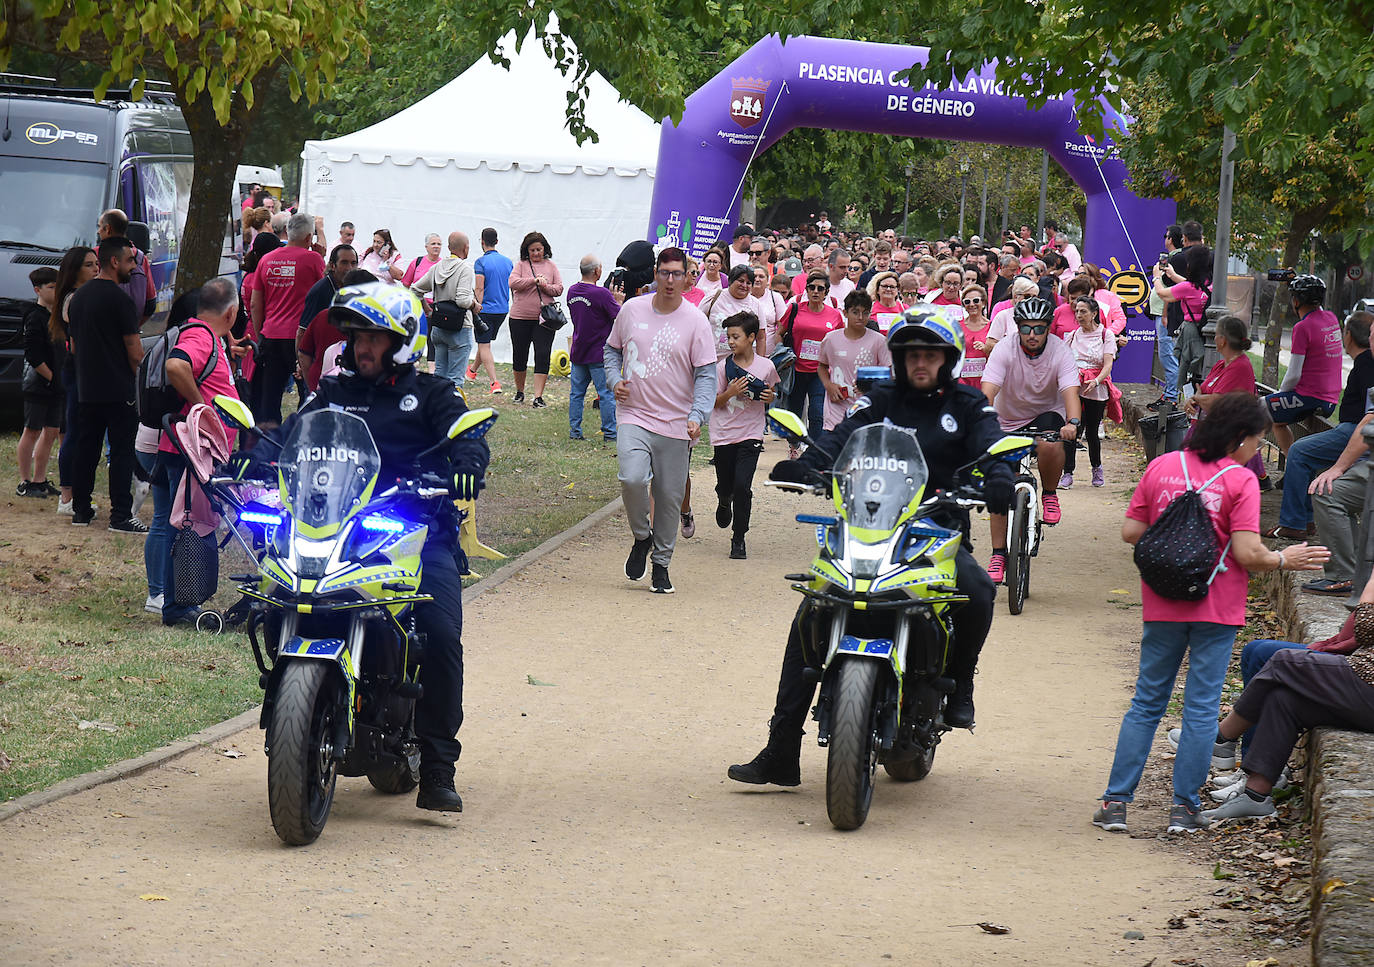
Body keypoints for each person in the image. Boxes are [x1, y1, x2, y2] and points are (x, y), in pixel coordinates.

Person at [728, 308, 1011, 791]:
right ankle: (781, 749)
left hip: (934, 531)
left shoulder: (968, 405)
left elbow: (991, 445)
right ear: (899, 360)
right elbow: (838, 439)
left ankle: (960, 684)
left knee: (979, 590)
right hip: (865, 526)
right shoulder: (878, 400)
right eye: (912, 355)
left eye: (930, 355)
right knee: (812, 612)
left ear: (947, 359)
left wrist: (999, 478)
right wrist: (808, 465)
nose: (921, 363)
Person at [241, 281, 489, 813]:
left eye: (374, 337)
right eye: (356, 337)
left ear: (401, 341)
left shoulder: (432, 393)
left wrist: (468, 464)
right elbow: (292, 434)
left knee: (441, 635)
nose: (362, 348)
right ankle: (297, 705)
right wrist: (256, 455)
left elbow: (467, 435)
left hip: (417, 531)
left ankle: (439, 766)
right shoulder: (333, 391)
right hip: (335, 526)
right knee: (279, 595)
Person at [1094, 393, 1329, 834]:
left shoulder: (1162, 466)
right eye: (1258, 442)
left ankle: (1115, 804)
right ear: (1240, 438)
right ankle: (1184, 809)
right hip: (1216, 607)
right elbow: (1247, 552)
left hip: (1162, 602)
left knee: (1147, 702)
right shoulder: (1239, 480)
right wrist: (1284, 559)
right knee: (1201, 710)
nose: (1258, 451)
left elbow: (1131, 532)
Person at [1201, 585, 1374, 822]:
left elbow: (1365, 629)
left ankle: (1222, 737)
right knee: (1284, 700)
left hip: (1367, 682)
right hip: (1364, 680)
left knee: (1284, 661)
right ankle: (1256, 795)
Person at [603, 246, 715, 595]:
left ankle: (661, 565)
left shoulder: (695, 320)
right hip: (634, 413)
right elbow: (611, 350)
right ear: (655, 273)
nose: (670, 280)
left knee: (668, 497)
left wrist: (698, 415)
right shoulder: (632, 310)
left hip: (676, 422)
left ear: (686, 276)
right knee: (632, 478)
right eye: (664, 273)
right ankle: (641, 536)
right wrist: (613, 381)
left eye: (676, 274)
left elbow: (707, 375)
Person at [150, 277, 243, 625]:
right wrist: (202, 406)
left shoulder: (208, 335)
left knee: (180, 523)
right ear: (231, 312)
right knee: (184, 525)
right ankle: (177, 608)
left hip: (187, 450)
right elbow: (177, 365)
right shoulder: (200, 336)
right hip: (187, 451)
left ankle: (177, 602)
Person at [980, 297, 1080, 580]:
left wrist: (1072, 423)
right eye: (1026, 329)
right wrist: (980, 420)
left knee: (1051, 442)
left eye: (1039, 328)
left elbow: (1071, 392)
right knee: (1000, 484)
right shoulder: (1004, 348)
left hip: (1046, 415)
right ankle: (998, 553)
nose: (1032, 335)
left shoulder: (1061, 351)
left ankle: (1049, 493)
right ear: (1017, 328)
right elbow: (989, 389)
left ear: (1049, 328)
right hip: (1006, 419)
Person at [1266, 310, 1374, 541]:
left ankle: (1295, 523)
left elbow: (1369, 415)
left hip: (1356, 431)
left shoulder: (1366, 363)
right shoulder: (1364, 362)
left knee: (1299, 452)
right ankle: (1304, 521)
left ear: (1348, 336)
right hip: (1352, 428)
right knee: (1305, 453)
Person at [66, 236, 146, 531]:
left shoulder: (79, 298)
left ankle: (81, 510)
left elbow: (73, 346)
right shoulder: (121, 300)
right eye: (129, 261)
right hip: (118, 388)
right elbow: (135, 352)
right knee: (123, 450)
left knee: (86, 447)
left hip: (86, 386)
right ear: (114, 261)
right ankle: (121, 515)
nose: (133, 267)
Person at [710, 311, 778, 560]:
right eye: (728, 337)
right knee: (727, 485)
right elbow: (713, 403)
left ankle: (738, 538)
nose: (730, 342)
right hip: (724, 434)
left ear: (751, 337)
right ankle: (722, 498)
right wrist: (729, 392)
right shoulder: (721, 368)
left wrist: (770, 397)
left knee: (743, 486)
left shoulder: (766, 366)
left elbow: (770, 393)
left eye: (735, 337)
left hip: (751, 433)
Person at [249, 212, 325, 428]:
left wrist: (261, 333)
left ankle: (269, 442)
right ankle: (302, 435)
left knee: (270, 395)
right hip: (302, 338)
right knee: (308, 391)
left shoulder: (267, 259)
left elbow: (256, 304)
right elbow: (326, 293)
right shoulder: (314, 260)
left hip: (271, 335)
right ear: (309, 238)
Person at [1262, 274, 1342, 457]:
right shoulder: (1331, 318)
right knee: (1277, 421)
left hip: (1311, 398)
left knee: (1258, 409)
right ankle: (1293, 464)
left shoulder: (1302, 327)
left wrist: (1280, 395)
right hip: (1331, 399)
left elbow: (1293, 375)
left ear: (1296, 300)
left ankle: (1262, 469)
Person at [51, 247, 99, 514]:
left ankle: (76, 491)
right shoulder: (73, 299)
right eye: (89, 265)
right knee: (73, 431)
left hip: (86, 371)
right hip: (77, 370)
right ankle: (67, 495)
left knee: (83, 431)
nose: (95, 269)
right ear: (75, 271)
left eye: (96, 264)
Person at [777, 270, 845, 446]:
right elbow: (780, 333)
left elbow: (840, 340)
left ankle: (815, 450)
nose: (815, 291)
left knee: (816, 413)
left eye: (820, 288)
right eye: (811, 287)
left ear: (826, 292)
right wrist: (781, 356)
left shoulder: (835, 315)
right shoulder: (794, 309)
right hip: (796, 369)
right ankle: (794, 444)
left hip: (820, 371)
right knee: (795, 411)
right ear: (806, 290)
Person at [1060, 295, 1117, 488]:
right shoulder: (1073, 335)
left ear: (1094, 314)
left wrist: (1097, 380)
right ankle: (1067, 473)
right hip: (1076, 388)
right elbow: (1063, 361)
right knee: (1071, 429)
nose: (1079, 315)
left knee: (1091, 432)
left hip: (1096, 389)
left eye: (1083, 311)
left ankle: (1097, 468)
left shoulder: (1106, 335)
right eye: (1076, 311)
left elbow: (1108, 364)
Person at [817, 290, 891, 430]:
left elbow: (888, 372)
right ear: (845, 313)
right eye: (855, 312)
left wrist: (873, 388)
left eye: (865, 312)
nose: (860, 317)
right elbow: (822, 366)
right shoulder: (831, 339)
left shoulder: (879, 341)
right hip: (836, 411)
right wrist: (829, 385)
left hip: (867, 410)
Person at [411, 231, 476, 389]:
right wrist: (474, 304)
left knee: (439, 375)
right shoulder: (465, 269)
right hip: (460, 328)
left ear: (448, 247)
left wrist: (428, 310)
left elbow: (415, 289)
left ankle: (436, 410)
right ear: (466, 248)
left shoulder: (437, 267)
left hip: (439, 327)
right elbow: (462, 300)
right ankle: (454, 411)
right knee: (456, 379)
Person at [17, 267, 62, 498]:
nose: (56, 291)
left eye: (58, 286)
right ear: (38, 290)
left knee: (52, 430)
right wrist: (53, 378)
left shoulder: (58, 315)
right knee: (32, 430)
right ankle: (25, 481)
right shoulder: (34, 316)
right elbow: (33, 356)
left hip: (56, 384)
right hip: (38, 383)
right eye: (51, 287)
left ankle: (40, 479)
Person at [566, 254, 619, 441]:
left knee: (576, 394)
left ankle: (575, 431)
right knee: (605, 394)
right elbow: (618, 316)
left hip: (579, 350)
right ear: (597, 271)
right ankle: (610, 433)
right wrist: (618, 300)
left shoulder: (572, 291)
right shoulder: (602, 294)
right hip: (599, 352)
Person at [507, 231, 564, 407]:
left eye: (539, 249)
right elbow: (512, 282)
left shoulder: (551, 266)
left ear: (545, 249)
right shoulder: (521, 265)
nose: (536, 253)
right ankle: (519, 392)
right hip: (519, 318)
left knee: (542, 354)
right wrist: (533, 281)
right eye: (532, 250)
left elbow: (559, 289)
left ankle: (538, 396)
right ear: (527, 250)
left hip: (544, 320)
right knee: (520, 354)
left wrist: (545, 286)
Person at [1153, 245, 1213, 398]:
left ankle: (1188, 404)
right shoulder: (1212, 286)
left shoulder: (1187, 287)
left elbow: (1163, 294)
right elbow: (1192, 286)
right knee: (1203, 371)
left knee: (1187, 370)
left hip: (1190, 334)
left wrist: (1156, 277)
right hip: (1207, 334)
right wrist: (1173, 275)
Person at [295, 244, 359, 368]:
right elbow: (302, 332)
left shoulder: (352, 289)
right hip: (321, 365)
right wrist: (301, 364)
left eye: (353, 263)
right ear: (333, 266)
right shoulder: (320, 291)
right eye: (344, 263)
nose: (350, 268)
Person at [471, 227, 513, 394]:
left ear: (482, 242)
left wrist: (476, 307)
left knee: (484, 344)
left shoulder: (480, 262)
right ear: (497, 241)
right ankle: (472, 371)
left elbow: (479, 288)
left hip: (485, 309)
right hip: (502, 309)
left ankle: (494, 382)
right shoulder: (508, 262)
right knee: (485, 343)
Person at [97, 209, 156, 319]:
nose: (98, 231)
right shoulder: (140, 258)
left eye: (99, 226)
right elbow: (150, 304)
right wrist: (133, 326)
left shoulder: (95, 255)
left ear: (108, 229)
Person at [702, 264, 764, 358]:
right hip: (713, 361)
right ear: (731, 280)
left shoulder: (756, 304)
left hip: (745, 367)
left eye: (748, 283)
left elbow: (761, 337)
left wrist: (760, 363)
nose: (744, 285)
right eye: (741, 281)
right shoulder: (714, 297)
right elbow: (697, 325)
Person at [958, 284, 993, 389]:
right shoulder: (957, 326)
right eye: (967, 302)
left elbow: (1000, 354)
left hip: (986, 381)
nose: (972, 304)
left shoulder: (993, 326)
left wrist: (986, 348)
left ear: (983, 303)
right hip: (963, 382)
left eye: (976, 301)